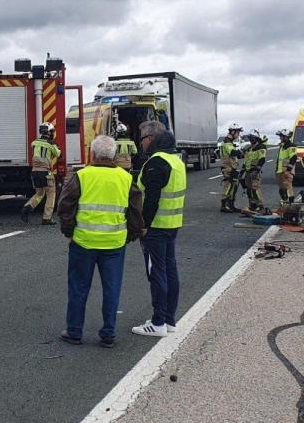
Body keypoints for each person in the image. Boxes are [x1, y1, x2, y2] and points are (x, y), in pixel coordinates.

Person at [56, 135, 143, 348]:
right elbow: (135, 211)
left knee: (78, 288)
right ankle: (108, 333)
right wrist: (131, 234)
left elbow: (65, 206)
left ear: (92, 154)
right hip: (114, 243)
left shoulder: (82, 176)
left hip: (83, 241)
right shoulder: (125, 178)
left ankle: (74, 331)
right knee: (111, 289)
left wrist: (68, 232)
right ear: (114, 155)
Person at [132, 121, 187, 337]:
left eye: (143, 139)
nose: (141, 143)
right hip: (172, 224)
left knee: (156, 273)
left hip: (155, 227)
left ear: (151, 138)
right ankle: (169, 319)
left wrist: (143, 225)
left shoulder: (156, 162)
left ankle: (157, 323)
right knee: (170, 271)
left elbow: (151, 199)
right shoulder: (176, 160)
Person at [21, 122, 61, 225]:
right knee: (51, 194)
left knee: (39, 193)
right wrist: (55, 145)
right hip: (46, 173)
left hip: (35, 172)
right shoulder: (51, 144)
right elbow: (58, 154)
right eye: (52, 131)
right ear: (49, 132)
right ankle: (47, 218)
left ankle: (27, 207)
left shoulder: (34, 143)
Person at [241, 132, 269, 214]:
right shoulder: (249, 148)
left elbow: (262, 159)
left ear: (256, 139)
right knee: (248, 190)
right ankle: (252, 205)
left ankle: (261, 206)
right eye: (250, 138)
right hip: (248, 171)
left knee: (255, 189)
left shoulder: (261, 147)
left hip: (255, 171)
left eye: (252, 138)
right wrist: (242, 171)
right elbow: (246, 160)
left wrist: (257, 169)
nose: (250, 140)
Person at [219, 123, 244, 213]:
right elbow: (232, 152)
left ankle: (231, 205)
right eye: (238, 132)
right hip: (227, 167)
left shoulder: (229, 141)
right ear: (233, 132)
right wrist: (241, 152)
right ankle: (224, 205)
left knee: (234, 185)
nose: (238, 135)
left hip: (231, 167)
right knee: (228, 185)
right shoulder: (227, 142)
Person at [275, 129, 298, 205]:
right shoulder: (282, 146)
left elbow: (293, 158)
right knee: (282, 190)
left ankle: (290, 205)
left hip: (286, 171)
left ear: (286, 137)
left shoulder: (291, 146)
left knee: (288, 189)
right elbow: (280, 159)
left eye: (281, 136)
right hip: (280, 171)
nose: (280, 138)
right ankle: (285, 204)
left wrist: (288, 170)